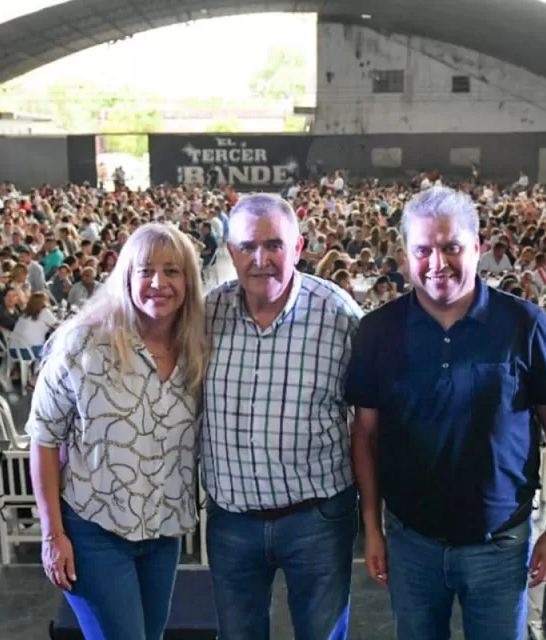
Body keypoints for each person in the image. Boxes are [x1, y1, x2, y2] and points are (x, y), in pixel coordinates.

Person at [346, 187, 546, 639]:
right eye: (423, 250)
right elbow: (366, 436)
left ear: (477, 247)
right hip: (411, 543)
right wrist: (372, 528)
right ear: (406, 255)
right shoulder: (378, 331)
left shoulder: (524, 325)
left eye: (451, 247)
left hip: (501, 545)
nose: (438, 264)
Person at [27, 223, 209, 640]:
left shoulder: (199, 349)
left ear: (189, 281)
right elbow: (44, 439)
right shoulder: (82, 344)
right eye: (145, 270)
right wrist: (53, 535)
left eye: (172, 271)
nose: (158, 283)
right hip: (93, 531)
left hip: (163, 535)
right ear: (125, 277)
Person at [201, 193, 363, 640]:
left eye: (274, 245)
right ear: (230, 252)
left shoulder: (339, 315)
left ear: (298, 247)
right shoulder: (206, 315)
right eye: (248, 247)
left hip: (317, 520)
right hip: (231, 521)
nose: (261, 259)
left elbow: (372, 416)